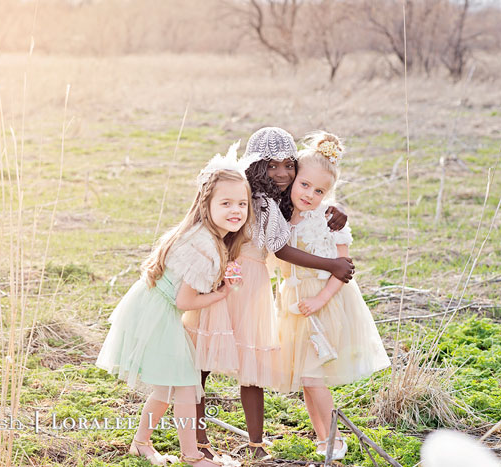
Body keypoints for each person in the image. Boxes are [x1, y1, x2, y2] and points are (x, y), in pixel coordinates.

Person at [184, 127, 355, 460]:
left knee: (253, 364)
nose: (282, 173)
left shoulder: (278, 199)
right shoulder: (254, 197)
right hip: (226, 277)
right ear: (256, 165)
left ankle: (256, 442)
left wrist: (332, 210)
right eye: (272, 165)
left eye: (289, 165)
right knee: (202, 359)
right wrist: (331, 265)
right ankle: (199, 440)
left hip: (254, 285)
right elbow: (281, 248)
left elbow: (306, 204)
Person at [96, 147, 253, 467]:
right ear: (205, 205)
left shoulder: (208, 237)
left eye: (242, 203)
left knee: (168, 386)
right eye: (226, 203)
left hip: (153, 306)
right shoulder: (205, 245)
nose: (236, 210)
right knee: (184, 385)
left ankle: (140, 443)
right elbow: (184, 301)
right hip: (160, 311)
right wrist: (221, 294)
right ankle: (192, 456)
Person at [274, 131, 390, 460]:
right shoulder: (282, 212)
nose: (310, 194)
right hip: (293, 304)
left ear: (330, 193)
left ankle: (335, 439)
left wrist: (321, 300)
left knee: (312, 375)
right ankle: (322, 435)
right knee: (307, 380)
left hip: (323, 303)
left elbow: (344, 268)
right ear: (294, 179)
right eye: (305, 185)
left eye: (320, 190)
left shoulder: (328, 219)